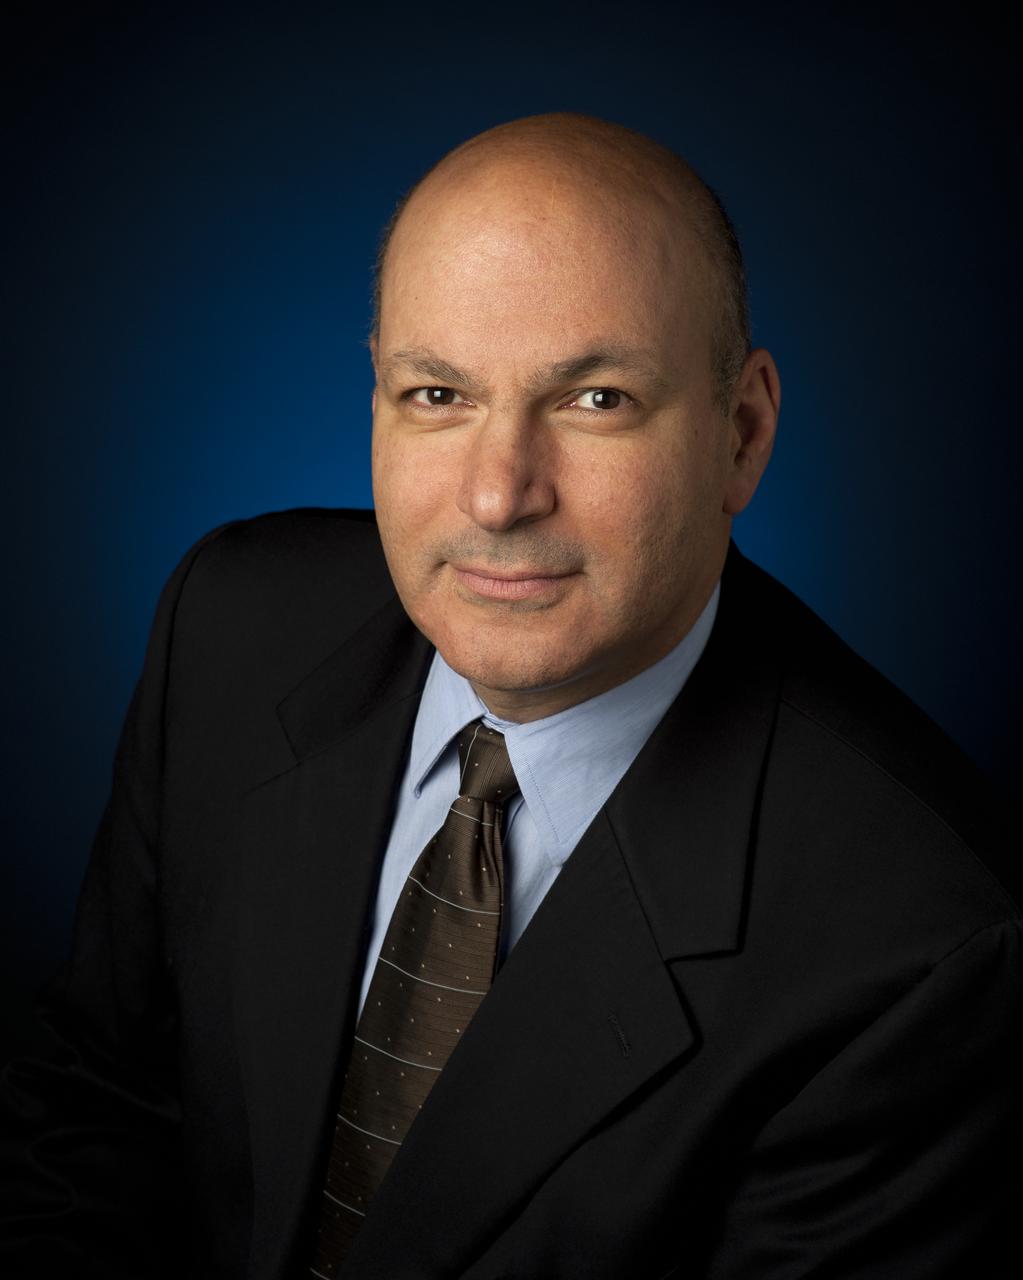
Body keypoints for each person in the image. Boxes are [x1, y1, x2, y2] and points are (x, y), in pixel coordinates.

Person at [1, 112, 1019, 1279]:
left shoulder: (920, 948)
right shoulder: (230, 625)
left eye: (597, 400)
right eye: (438, 393)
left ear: (742, 434)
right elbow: (93, 1112)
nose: (498, 495)